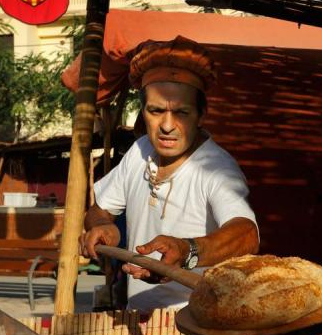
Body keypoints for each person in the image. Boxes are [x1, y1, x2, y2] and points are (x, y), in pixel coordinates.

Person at [80, 36, 260, 312]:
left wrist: (186, 251)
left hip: (196, 327)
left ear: (201, 115)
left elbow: (247, 234)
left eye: (181, 112)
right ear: (143, 113)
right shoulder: (140, 151)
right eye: (156, 111)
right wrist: (102, 225)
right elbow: (100, 210)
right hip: (137, 318)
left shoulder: (216, 168)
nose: (166, 125)